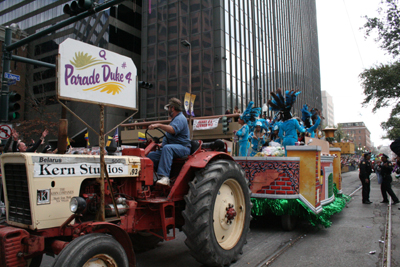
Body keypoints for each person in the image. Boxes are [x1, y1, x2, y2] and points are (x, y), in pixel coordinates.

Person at [147, 98, 191, 186]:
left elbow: (173, 130)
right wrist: (161, 144)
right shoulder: (174, 120)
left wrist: (158, 125)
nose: (168, 111)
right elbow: (169, 136)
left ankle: (164, 177)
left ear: (172, 108)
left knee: (167, 148)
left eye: (169, 108)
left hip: (183, 148)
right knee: (151, 155)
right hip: (174, 147)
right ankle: (150, 176)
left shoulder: (180, 118)